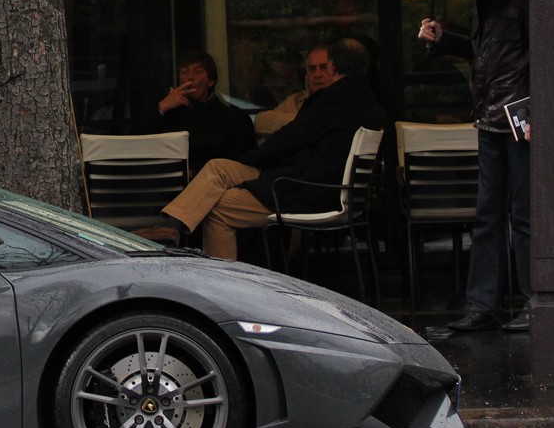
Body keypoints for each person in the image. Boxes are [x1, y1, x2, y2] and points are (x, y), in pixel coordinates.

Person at [153, 38, 385, 261]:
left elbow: (292, 138)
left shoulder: (334, 98)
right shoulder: (368, 101)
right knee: (218, 167)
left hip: (302, 190)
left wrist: (254, 159)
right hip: (309, 183)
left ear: (333, 66)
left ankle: (223, 289)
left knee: (217, 208)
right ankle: (174, 224)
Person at [419, 0, 532, 332]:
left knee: (523, 213)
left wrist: (536, 113)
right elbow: (483, 52)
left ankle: (535, 301)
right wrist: (443, 40)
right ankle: (485, 305)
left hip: (518, 119)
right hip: (490, 116)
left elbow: (543, 53)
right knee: (487, 214)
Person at [154, 50, 255, 175]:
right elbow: (139, 145)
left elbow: (238, 164)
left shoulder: (234, 118)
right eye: (184, 72)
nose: (190, 77)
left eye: (198, 71)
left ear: (211, 81)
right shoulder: (168, 114)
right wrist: (162, 107)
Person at [253, 45, 335, 138]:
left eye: (324, 67)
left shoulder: (344, 100)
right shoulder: (294, 101)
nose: (317, 74)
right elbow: (261, 123)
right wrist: (307, 123)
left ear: (335, 70)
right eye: (312, 69)